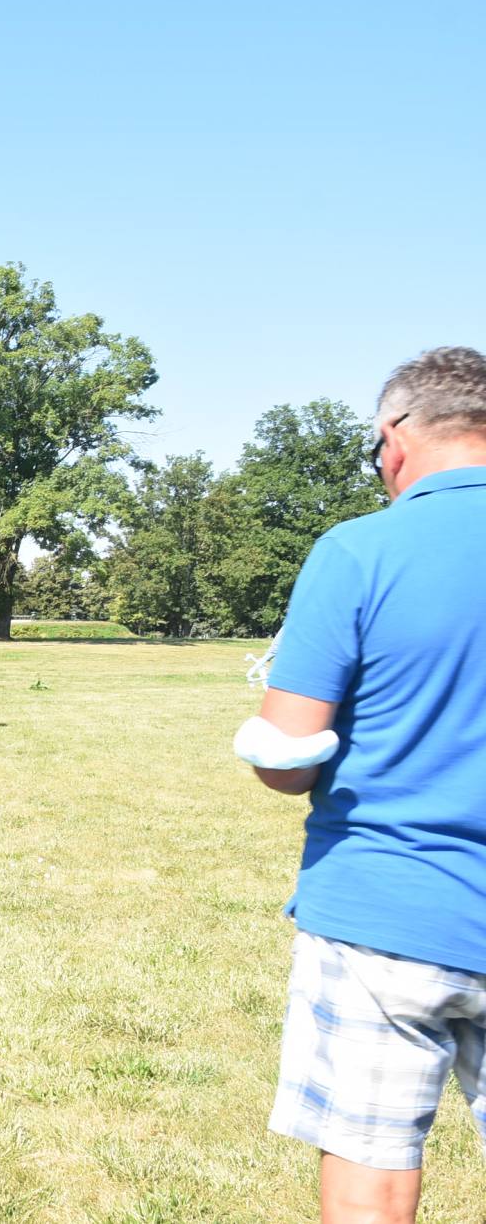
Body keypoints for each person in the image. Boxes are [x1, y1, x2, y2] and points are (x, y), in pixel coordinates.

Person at [247, 347, 486, 1223]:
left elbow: (290, 757)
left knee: (371, 1183)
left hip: (384, 914)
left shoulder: (356, 552)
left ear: (395, 437)